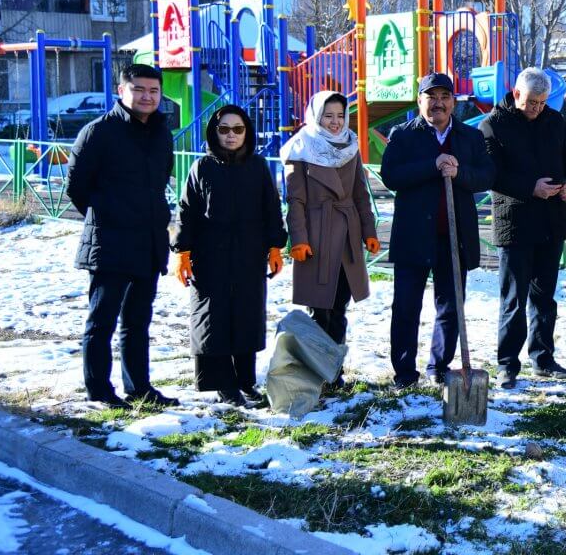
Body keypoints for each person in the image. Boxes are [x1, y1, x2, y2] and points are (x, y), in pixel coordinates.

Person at [66, 63, 178, 409]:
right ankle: (99, 390)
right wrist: (108, 215)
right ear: (121, 90)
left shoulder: (161, 133)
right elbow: (76, 187)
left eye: (154, 91)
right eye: (138, 89)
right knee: (102, 320)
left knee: (137, 321)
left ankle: (139, 387)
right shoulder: (98, 132)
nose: (147, 97)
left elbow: (161, 179)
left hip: (148, 242)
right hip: (110, 242)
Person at [380, 73, 495, 389]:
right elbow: (391, 175)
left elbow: (487, 176)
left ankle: (439, 366)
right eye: (431, 97)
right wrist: (432, 165)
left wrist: (459, 172)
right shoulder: (403, 135)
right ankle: (405, 373)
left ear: (453, 102)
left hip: (454, 237)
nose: (438, 103)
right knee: (406, 307)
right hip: (413, 236)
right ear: (420, 101)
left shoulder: (470, 137)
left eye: (445, 97)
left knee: (451, 306)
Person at [172, 105, 287, 406]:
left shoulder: (258, 166)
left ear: (247, 132)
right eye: (224, 129)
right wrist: (182, 252)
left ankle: (246, 381)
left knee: (247, 317)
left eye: (238, 129)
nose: (231, 135)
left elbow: (271, 207)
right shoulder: (202, 167)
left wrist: (275, 246)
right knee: (215, 319)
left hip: (249, 255)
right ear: (215, 132)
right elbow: (186, 212)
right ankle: (224, 384)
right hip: (211, 257)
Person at [480, 67, 566, 389]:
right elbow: (491, 175)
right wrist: (530, 187)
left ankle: (543, 358)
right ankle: (507, 364)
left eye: (542, 102)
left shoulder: (554, 120)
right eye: (532, 102)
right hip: (515, 223)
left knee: (544, 297)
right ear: (516, 94)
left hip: (551, 220)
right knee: (514, 298)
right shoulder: (492, 125)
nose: (537, 109)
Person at [281, 92, 380, 386]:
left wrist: (369, 231)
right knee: (319, 309)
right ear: (316, 116)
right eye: (328, 116)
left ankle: (334, 372)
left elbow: (361, 194)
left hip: (347, 237)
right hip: (316, 237)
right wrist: (299, 238)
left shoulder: (350, 145)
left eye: (340, 115)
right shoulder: (301, 147)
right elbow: (295, 199)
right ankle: (316, 372)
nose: (335, 122)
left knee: (339, 307)